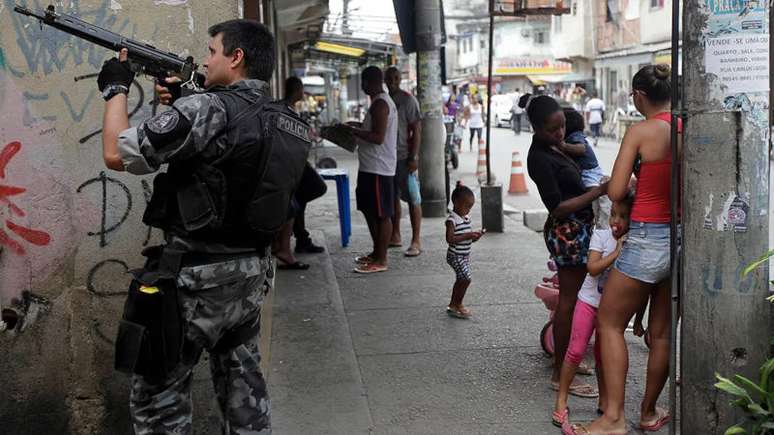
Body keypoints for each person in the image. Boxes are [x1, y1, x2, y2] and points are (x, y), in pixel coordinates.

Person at [99, 20, 303, 433]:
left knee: (160, 399)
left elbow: (116, 154)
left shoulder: (206, 109)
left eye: (212, 51)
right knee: (244, 392)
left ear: (236, 57)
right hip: (249, 277)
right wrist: (184, 102)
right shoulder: (286, 119)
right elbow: (234, 163)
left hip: (193, 281)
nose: (206, 59)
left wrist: (116, 89)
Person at [572, 64, 680, 435]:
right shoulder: (686, 126)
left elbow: (616, 191)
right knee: (662, 334)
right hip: (681, 240)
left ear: (638, 96)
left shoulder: (641, 131)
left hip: (648, 237)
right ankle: (649, 413)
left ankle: (613, 417)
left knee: (609, 321)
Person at [524, 95, 608, 399]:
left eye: (561, 126)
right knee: (569, 303)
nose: (559, 133)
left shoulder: (553, 146)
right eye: (552, 129)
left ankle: (567, 363)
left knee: (577, 301)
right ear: (535, 128)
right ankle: (561, 374)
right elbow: (558, 207)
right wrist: (598, 191)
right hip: (567, 233)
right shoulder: (538, 157)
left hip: (578, 229)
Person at [552, 196, 634, 430]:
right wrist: (616, 253)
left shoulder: (635, 243)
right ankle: (561, 400)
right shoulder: (601, 236)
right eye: (614, 215)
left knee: (603, 356)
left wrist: (637, 318)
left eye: (623, 217)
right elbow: (592, 267)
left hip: (611, 309)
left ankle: (605, 400)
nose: (616, 221)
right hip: (588, 302)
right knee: (576, 350)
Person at [342, 66, 398, 274]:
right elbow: (373, 130)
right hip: (371, 166)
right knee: (369, 209)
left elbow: (378, 137)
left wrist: (354, 131)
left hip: (379, 167)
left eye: (364, 82)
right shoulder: (377, 103)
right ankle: (376, 252)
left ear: (371, 82)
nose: (363, 86)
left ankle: (381, 259)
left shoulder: (381, 104)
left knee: (382, 214)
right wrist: (356, 126)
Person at [272, 77, 326, 271]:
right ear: (297, 90)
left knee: (310, 191)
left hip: (294, 164)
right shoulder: (283, 110)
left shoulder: (289, 110)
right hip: (287, 166)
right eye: (302, 89)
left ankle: (300, 236)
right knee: (296, 200)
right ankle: (292, 242)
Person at [384, 67, 423, 257]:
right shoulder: (384, 100)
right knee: (393, 197)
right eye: (389, 78)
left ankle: (416, 240)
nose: (392, 81)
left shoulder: (408, 100)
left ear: (400, 79)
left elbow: (417, 130)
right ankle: (395, 235)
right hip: (388, 158)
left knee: (413, 199)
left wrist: (414, 157)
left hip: (406, 158)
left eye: (396, 77)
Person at [445, 182, 483, 318]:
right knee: (465, 278)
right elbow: (450, 239)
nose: (468, 210)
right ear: (455, 202)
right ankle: (458, 304)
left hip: (464, 255)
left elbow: (467, 238)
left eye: (470, 207)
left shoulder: (466, 219)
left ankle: (453, 304)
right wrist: (468, 235)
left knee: (461, 279)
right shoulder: (452, 220)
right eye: (466, 206)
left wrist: (475, 237)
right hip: (455, 255)